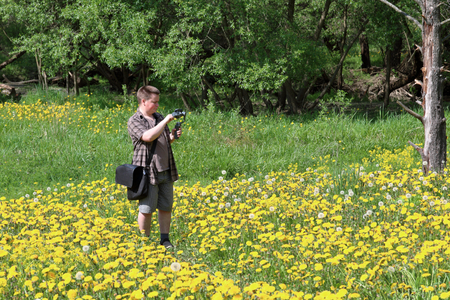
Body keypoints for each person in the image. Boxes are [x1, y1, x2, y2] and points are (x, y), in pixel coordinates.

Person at [127, 85, 181, 249]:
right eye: (154, 102)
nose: (158, 105)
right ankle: (144, 242)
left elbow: (163, 139)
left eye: (158, 102)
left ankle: (165, 239)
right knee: (146, 208)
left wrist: (172, 136)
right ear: (143, 101)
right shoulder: (134, 120)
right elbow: (148, 136)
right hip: (147, 171)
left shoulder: (158, 117)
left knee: (166, 206)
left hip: (166, 168)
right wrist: (166, 120)